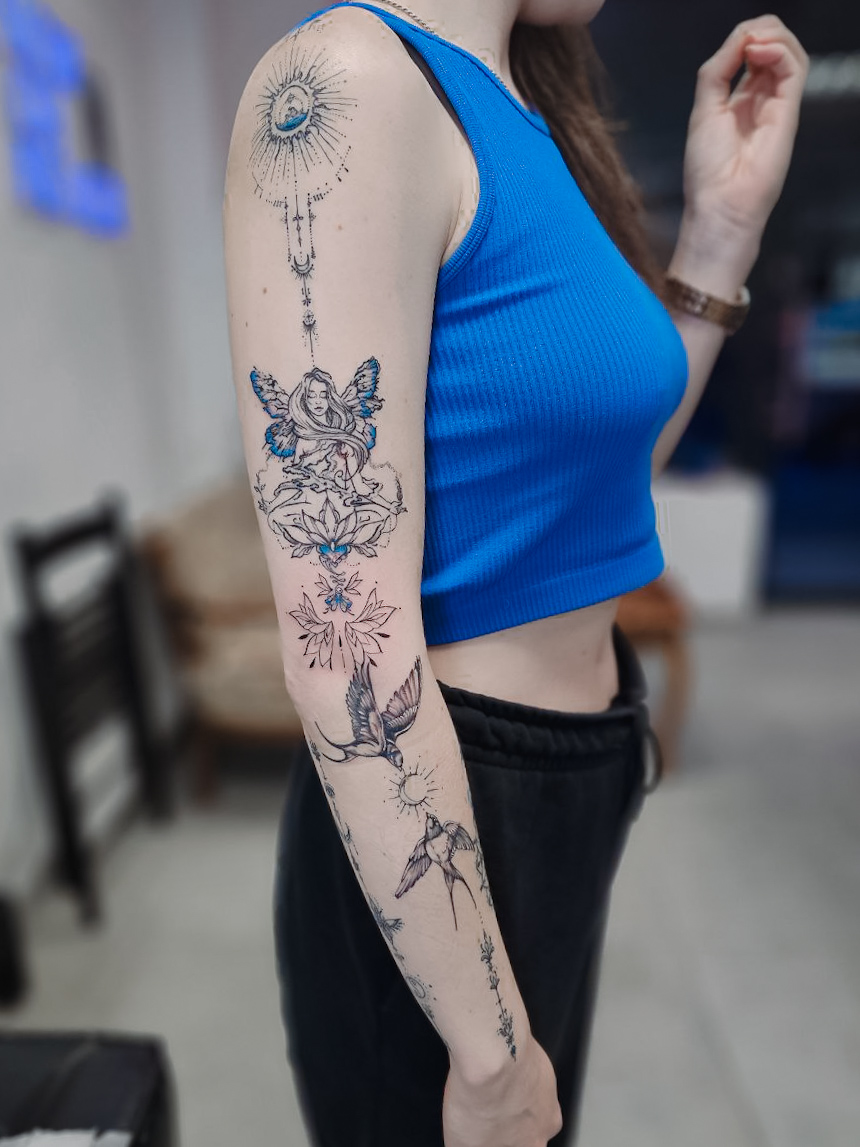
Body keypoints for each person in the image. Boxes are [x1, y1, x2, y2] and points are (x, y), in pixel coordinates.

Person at [222, 3, 807, 1143]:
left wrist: (721, 234)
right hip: (448, 801)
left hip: (574, 778)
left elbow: (605, 475)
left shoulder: (525, 110)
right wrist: (487, 1049)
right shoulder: (350, 84)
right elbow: (344, 639)